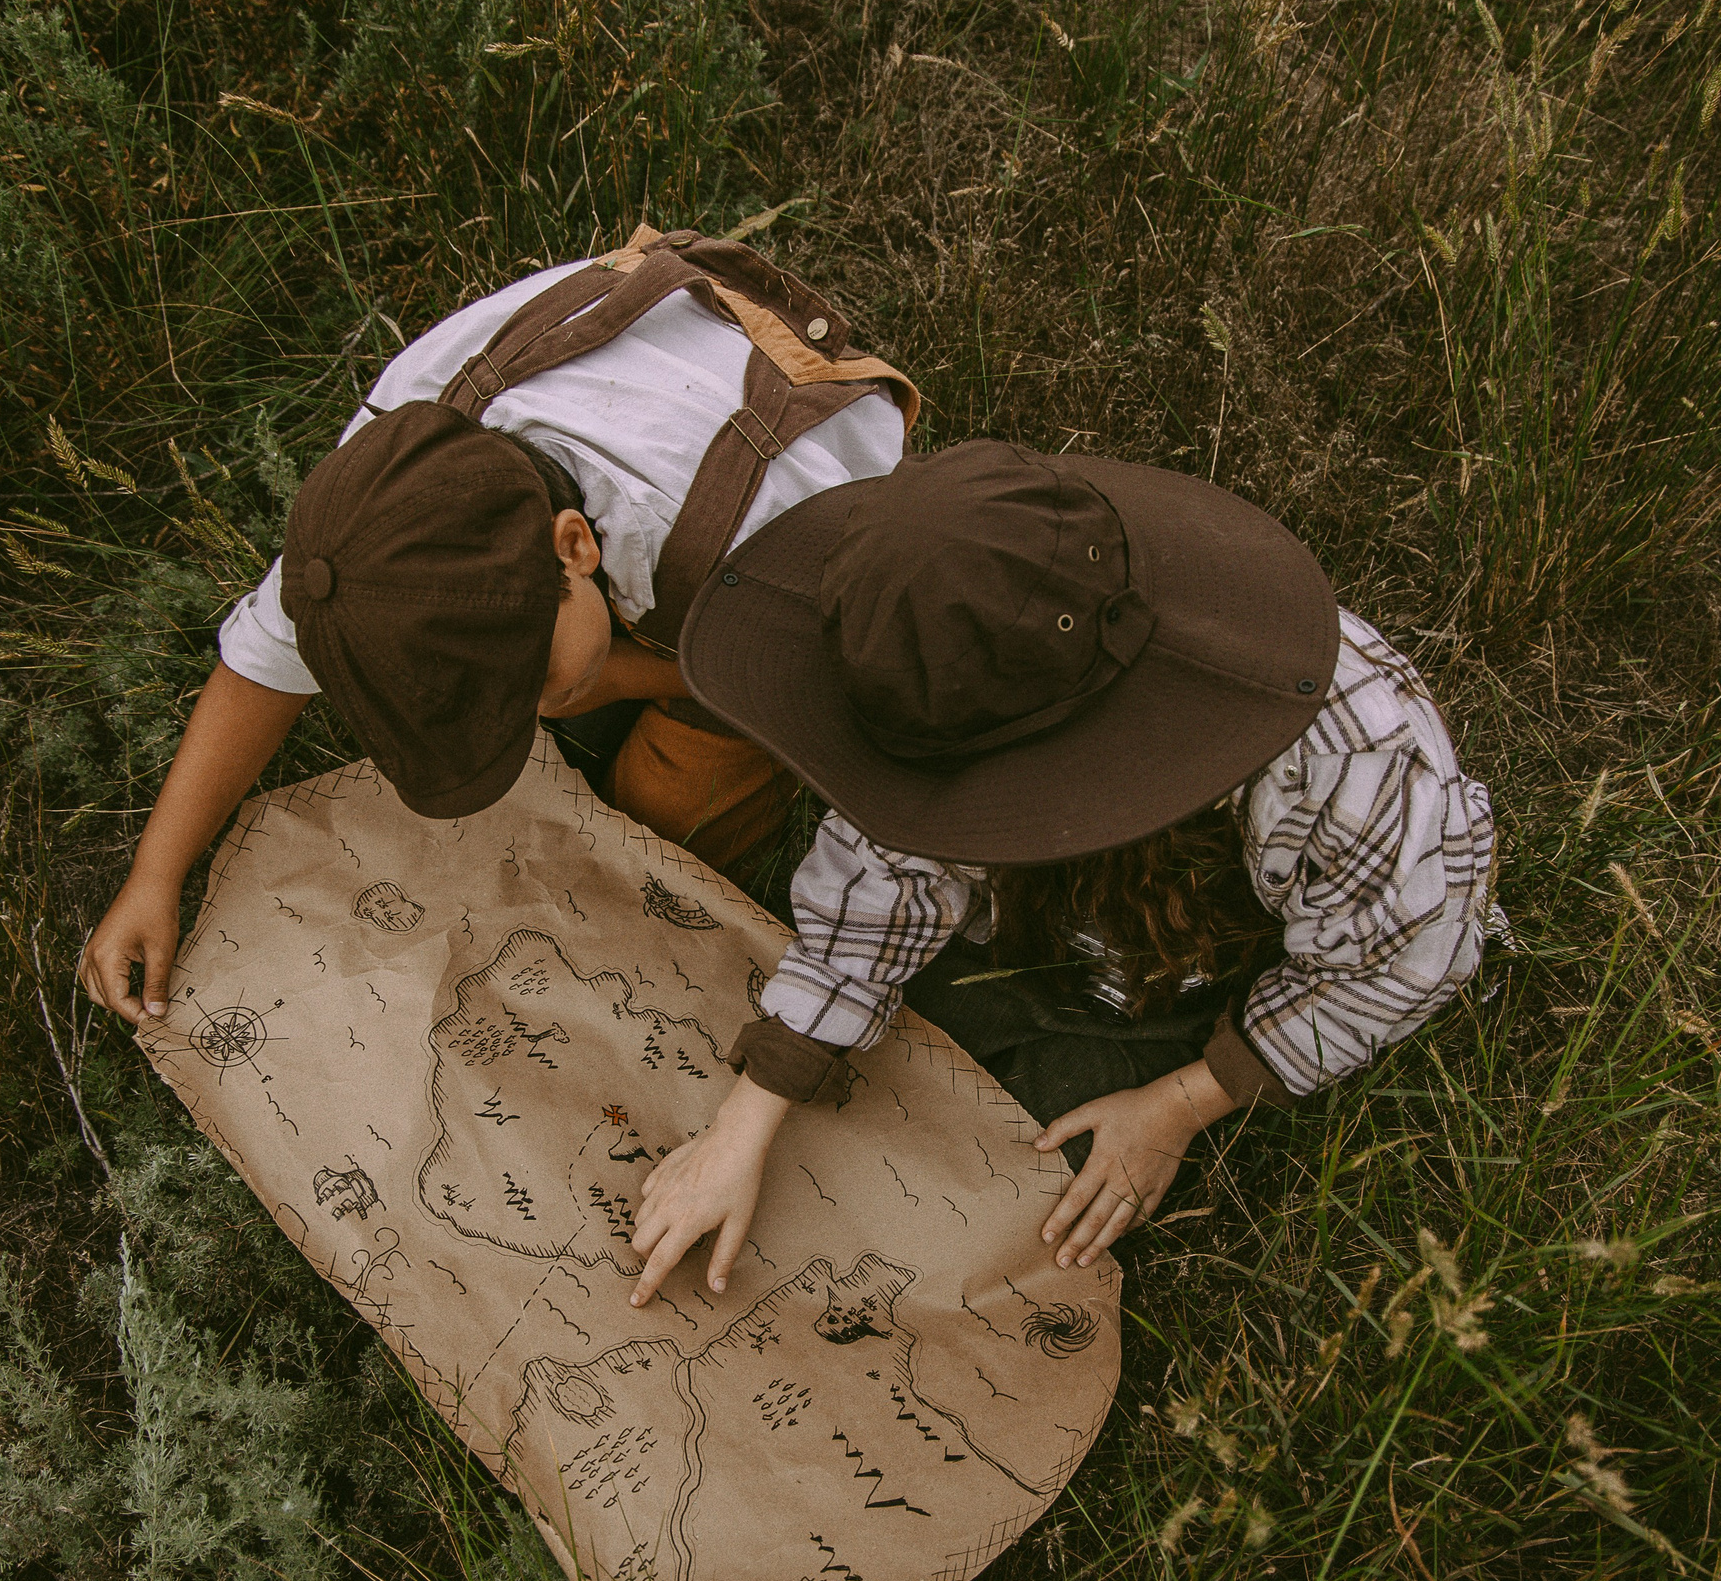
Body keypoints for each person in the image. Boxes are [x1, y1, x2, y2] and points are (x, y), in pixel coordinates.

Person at [622, 440, 1496, 1305]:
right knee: (848, 1071)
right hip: (1026, 924)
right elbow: (885, 867)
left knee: (1028, 1183)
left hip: (1190, 976)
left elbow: (1403, 953)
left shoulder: (1354, 760)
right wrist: (745, 1122)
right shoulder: (940, 666)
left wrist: (1179, 1105)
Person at [78, 229, 917, 1024]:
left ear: (574, 545)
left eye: (533, 683)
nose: (532, 712)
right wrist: (156, 873)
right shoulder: (382, 507)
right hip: (641, 451)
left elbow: (824, 677)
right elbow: (261, 665)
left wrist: (624, 676)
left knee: (668, 810)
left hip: (791, 471)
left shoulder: (764, 536)